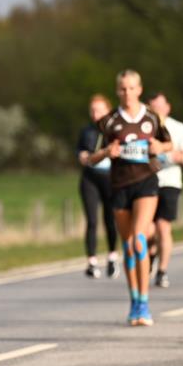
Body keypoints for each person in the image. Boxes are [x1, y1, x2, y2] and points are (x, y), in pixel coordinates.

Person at [88, 70, 172, 327]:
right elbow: (90, 158)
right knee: (128, 246)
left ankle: (145, 303)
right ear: (118, 91)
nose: (127, 93)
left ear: (139, 89)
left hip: (146, 181)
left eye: (132, 88)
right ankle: (135, 300)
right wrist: (106, 152)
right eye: (123, 89)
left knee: (138, 239)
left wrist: (159, 148)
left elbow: (167, 144)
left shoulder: (151, 117)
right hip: (119, 185)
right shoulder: (109, 121)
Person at [146, 92, 183, 288]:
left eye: (160, 106)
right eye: (153, 107)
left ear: (167, 107)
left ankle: (162, 271)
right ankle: (151, 254)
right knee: (148, 230)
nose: (157, 110)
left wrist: (167, 155)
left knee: (163, 227)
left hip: (170, 181)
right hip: (147, 181)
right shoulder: (144, 127)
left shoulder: (178, 128)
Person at [76, 94, 120, 279]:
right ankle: (92, 261)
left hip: (110, 177)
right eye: (93, 110)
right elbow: (81, 153)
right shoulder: (87, 131)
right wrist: (84, 156)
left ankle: (112, 256)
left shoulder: (115, 130)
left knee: (110, 218)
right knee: (92, 220)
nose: (95, 114)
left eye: (99, 110)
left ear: (108, 110)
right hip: (90, 178)